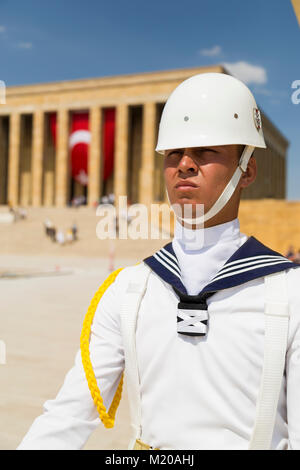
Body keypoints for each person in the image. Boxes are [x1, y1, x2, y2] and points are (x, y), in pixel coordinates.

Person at [18, 73, 300, 450]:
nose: (185, 164)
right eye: (173, 154)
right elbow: (68, 416)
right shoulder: (127, 291)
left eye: (205, 152)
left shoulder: (289, 295)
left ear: (246, 171)